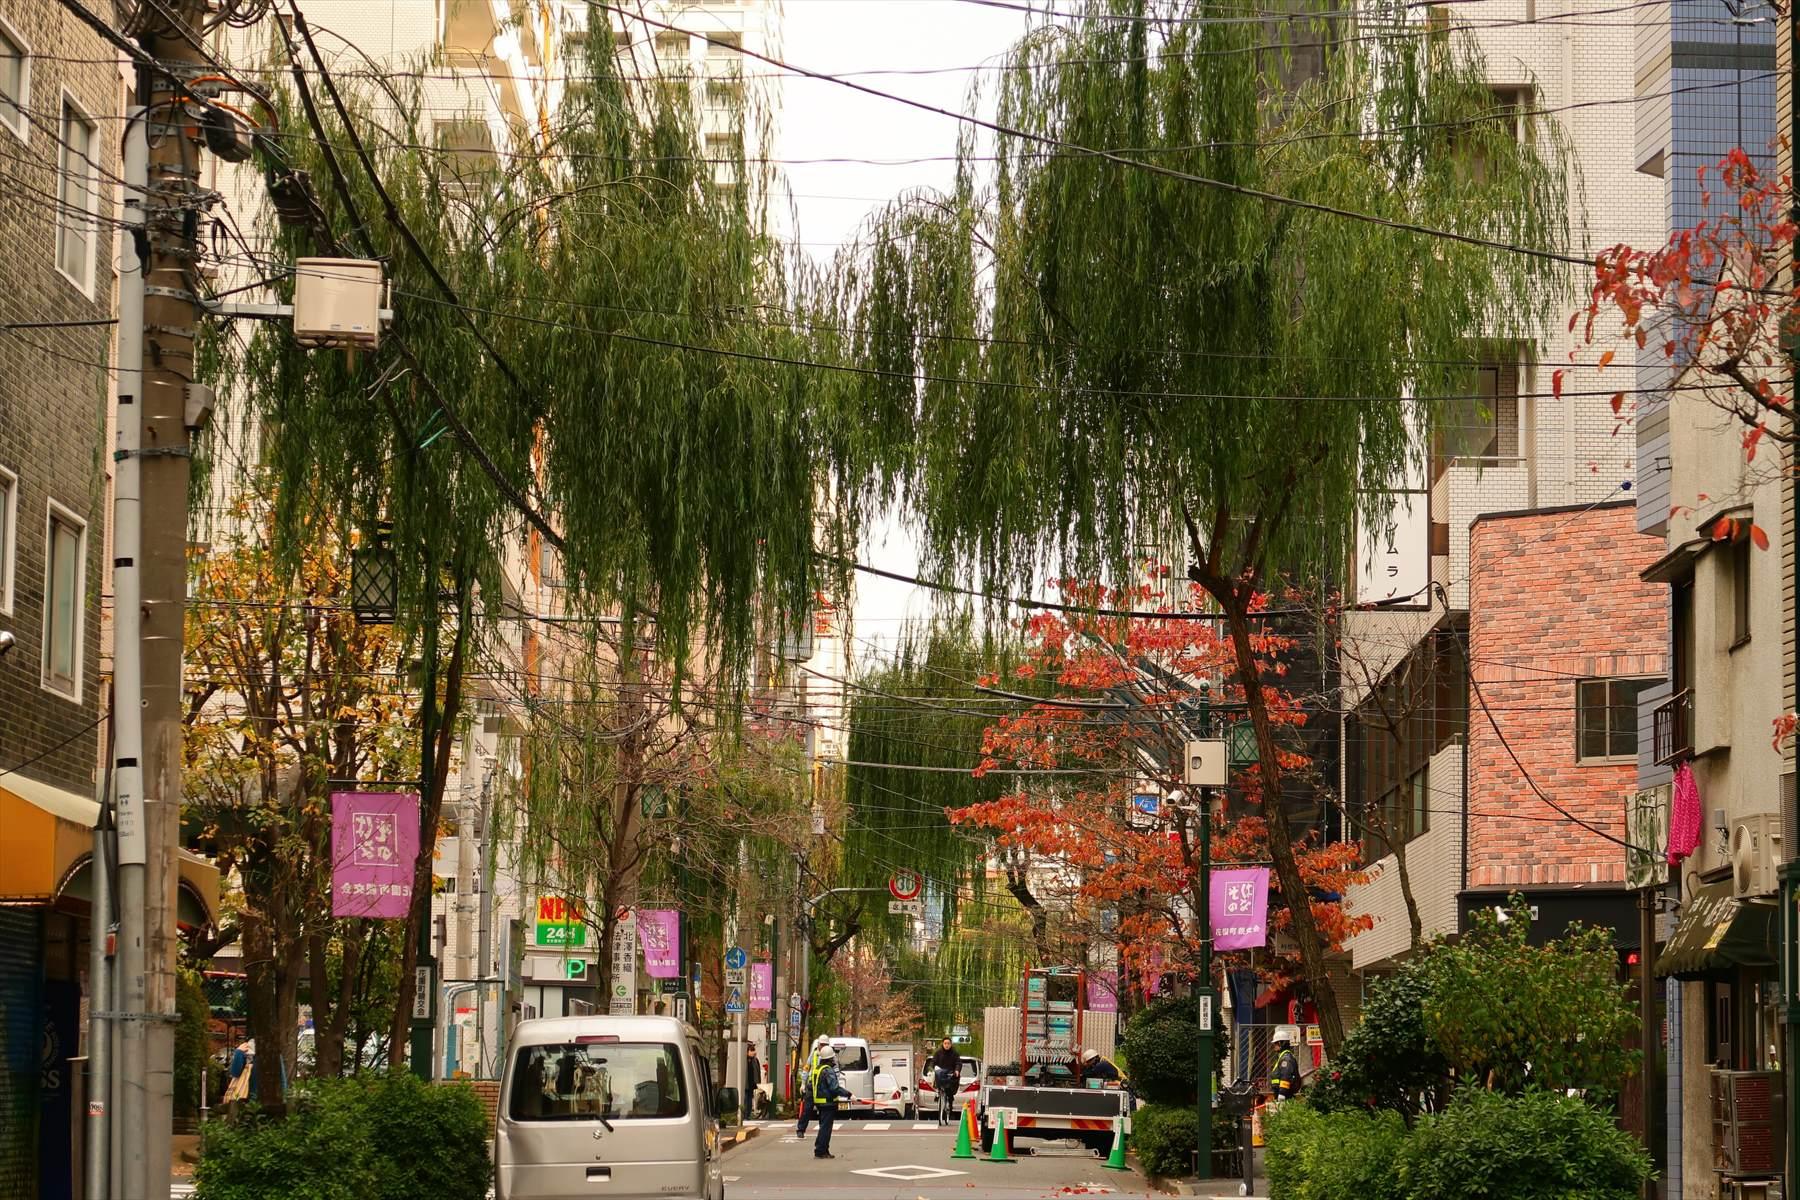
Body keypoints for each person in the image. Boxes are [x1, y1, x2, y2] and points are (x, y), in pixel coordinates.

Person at [810, 1044, 854, 1159]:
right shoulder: (828, 1071)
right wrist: (848, 1094)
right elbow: (834, 1088)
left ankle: (821, 1149)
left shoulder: (818, 1069)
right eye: (833, 1058)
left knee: (823, 1127)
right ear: (829, 1059)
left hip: (819, 1103)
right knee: (826, 1128)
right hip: (828, 1103)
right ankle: (821, 1151)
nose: (834, 1060)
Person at [795, 1035, 830, 1136]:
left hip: (823, 1087)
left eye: (825, 1045)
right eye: (821, 1044)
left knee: (824, 1110)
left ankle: (822, 1131)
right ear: (818, 1044)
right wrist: (803, 1083)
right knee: (807, 1109)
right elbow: (806, 1069)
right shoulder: (814, 1055)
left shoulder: (831, 1056)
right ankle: (801, 1130)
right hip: (812, 1086)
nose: (822, 1047)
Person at [930, 1037, 962, 1125]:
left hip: (950, 1073)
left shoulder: (954, 1053)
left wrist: (957, 1070)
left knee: (949, 1089)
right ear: (942, 1044)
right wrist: (933, 1067)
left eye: (948, 1043)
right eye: (945, 1043)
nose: (947, 1045)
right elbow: (933, 1062)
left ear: (951, 1044)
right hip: (941, 1073)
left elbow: (958, 1063)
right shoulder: (938, 1053)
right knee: (938, 1081)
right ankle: (938, 1093)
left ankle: (950, 1102)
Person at [1270, 1028, 1302, 1100]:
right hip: (1281, 1092)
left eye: (1275, 1043)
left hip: (1285, 1094)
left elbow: (1286, 1076)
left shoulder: (1286, 1058)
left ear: (1281, 1043)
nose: (1274, 1046)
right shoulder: (1283, 1057)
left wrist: (1282, 1093)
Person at [744, 1045, 763, 1122]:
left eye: (753, 1050)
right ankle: (744, 1114)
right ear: (747, 1051)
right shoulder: (744, 1059)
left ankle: (748, 1114)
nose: (753, 1052)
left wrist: (758, 1082)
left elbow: (757, 1072)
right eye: (751, 1051)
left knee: (749, 1099)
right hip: (745, 1083)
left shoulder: (755, 1060)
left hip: (752, 1083)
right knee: (745, 1098)